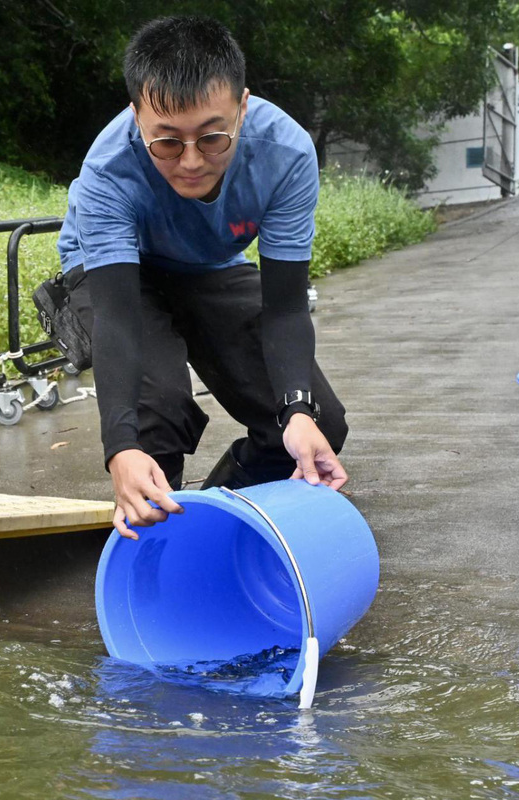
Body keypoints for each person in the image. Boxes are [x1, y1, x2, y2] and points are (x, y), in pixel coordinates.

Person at [55, 15, 349, 539]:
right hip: (120, 272)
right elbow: (120, 321)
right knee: (153, 420)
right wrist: (120, 449)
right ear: (135, 117)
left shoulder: (285, 155)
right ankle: (152, 553)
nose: (190, 162)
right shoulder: (107, 171)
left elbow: (284, 307)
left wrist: (297, 409)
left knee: (317, 426)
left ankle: (216, 521)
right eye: (166, 143)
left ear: (243, 105)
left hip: (209, 265)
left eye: (213, 138)